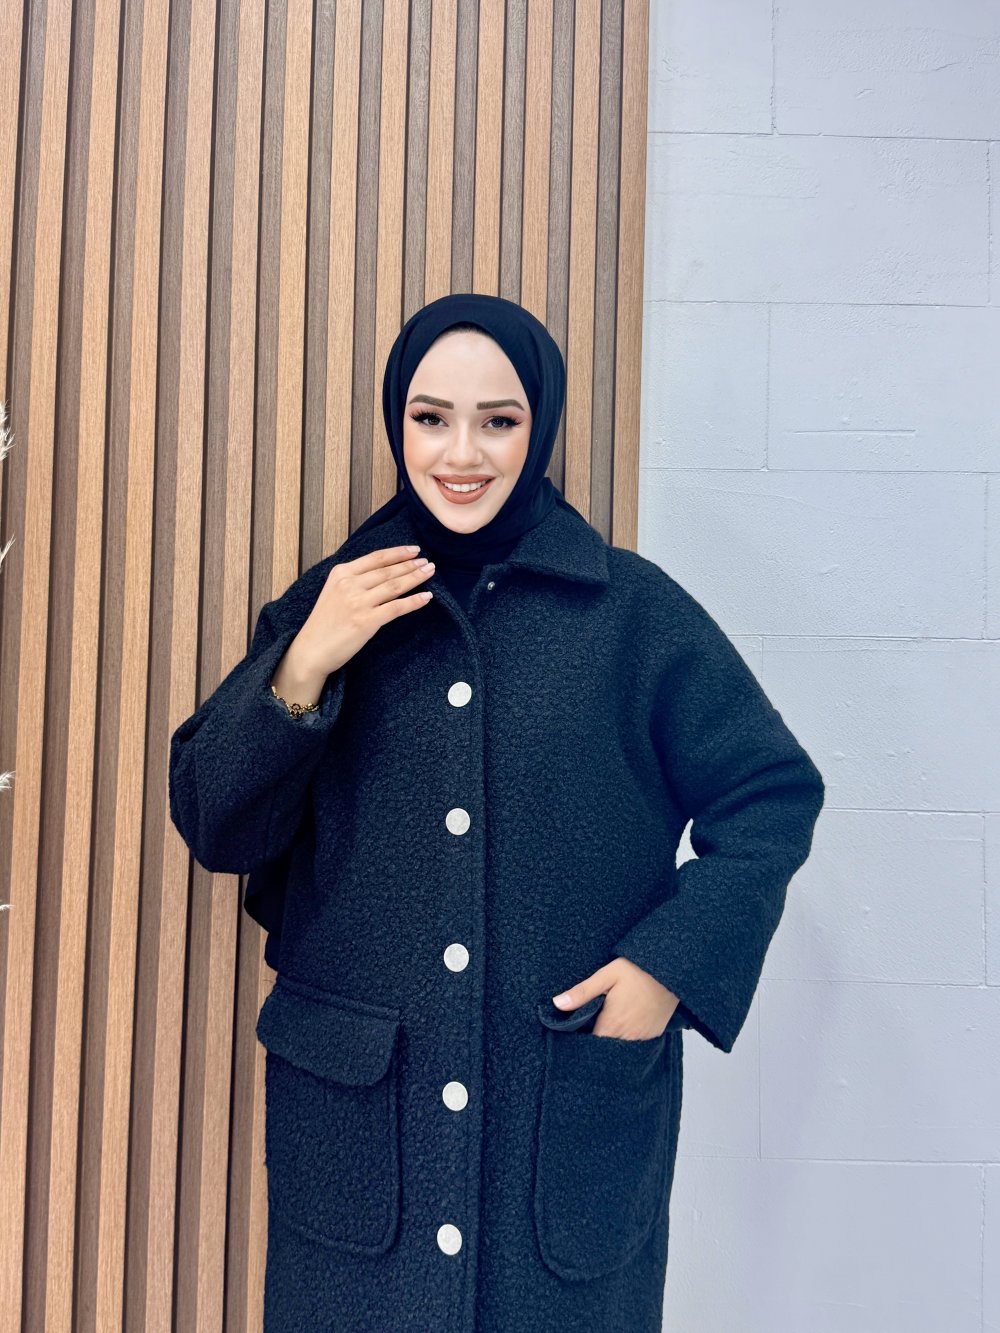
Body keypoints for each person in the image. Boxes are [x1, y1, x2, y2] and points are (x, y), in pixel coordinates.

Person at [168, 292, 826, 1333]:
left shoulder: (632, 614)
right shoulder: (334, 604)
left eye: (498, 419)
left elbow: (770, 793)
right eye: (431, 417)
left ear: (540, 423)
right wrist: (303, 663)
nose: (462, 452)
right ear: (398, 422)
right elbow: (218, 825)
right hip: (359, 1147)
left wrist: (667, 967)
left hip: (560, 1129)